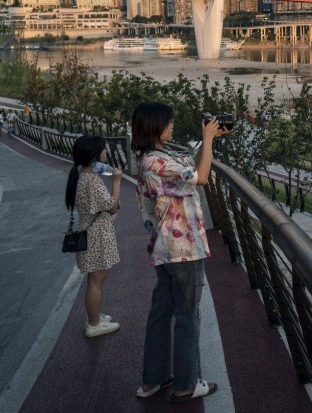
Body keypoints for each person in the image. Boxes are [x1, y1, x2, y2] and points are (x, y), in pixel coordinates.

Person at [132, 102, 226, 403]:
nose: (172, 127)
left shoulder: (151, 159)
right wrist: (208, 140)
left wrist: (207, 140)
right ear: (157, 126)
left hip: (164, 248)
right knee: (188, 315)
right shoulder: (158, 164)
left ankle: (153, 379)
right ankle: (185, 384)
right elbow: (200, 178)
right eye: (169, 123)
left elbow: (191, 167)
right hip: (182, 248)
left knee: (161, 313)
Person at [65, 135, 122, 338]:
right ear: (94, 155)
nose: (106, 152)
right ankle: (94, 324)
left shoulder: (81, 174)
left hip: (90, 231)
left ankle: (95, 317)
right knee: (96, 281)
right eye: (103, 149)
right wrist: (116, 181)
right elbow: (112, 207)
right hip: (97, 235)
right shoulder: (92, 181)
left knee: (96, 279)